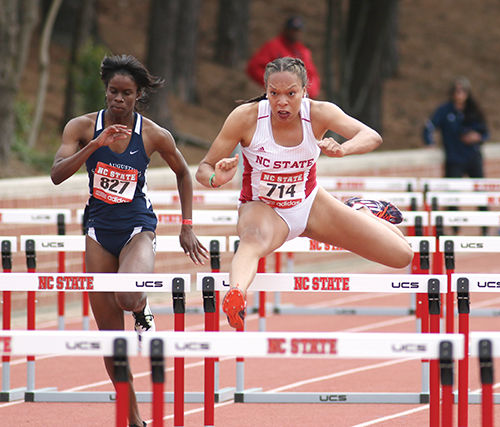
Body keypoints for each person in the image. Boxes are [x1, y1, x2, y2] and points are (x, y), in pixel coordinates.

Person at [196, 56, 413, 331]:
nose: (282, 103)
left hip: (311, 205)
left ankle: (360, 209)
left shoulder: (320, 113)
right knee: (251, 241)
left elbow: (371, 135)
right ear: (266, 90)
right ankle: (236, 294)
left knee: (401, 254)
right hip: (264, 209)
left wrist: (343, 149)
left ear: (304, 91)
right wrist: (217, 178)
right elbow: (203, 168)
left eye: (290, 94)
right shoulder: (246, 118)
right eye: (274, 94)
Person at [50, 54, 208, 427]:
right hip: (98, 230)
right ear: (105, 92)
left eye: (126, 94)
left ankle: (141, 309)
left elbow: (184, 172)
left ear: (138, 96)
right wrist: (95, 145)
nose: (118, 100)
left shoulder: (153, 134)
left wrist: (187, 225)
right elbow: (57, 174)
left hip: (138, 226)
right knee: (110, 337)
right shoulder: (82, 126)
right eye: (112, 92)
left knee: (128, 295)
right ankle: (134, 418)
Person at [422, 76, 489, 178]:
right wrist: (429, 142)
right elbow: (429, 126)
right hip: (454, 158)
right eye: (457, 90)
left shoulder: (473, 110)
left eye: (463, 91)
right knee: (452, 189)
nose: (460, 94)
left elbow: (485, 132)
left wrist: (476, 137)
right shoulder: (444, 110)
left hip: (473, 156)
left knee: (479, 187)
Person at [246, 15, 321, 99]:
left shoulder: (303, 51)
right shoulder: (273, 46)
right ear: (285, 30)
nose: (295, 33)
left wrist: (308, 92)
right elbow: (254, 67)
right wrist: (274, 84)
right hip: (278, 98)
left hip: (299, 99)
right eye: (292, 30)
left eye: (297, 30)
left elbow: (313, 75)